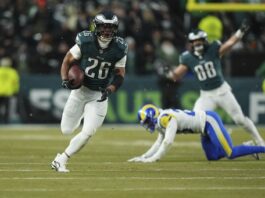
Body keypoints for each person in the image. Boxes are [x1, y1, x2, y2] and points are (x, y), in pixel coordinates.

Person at [51, 11, 128, 172]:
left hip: (99, 95)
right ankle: (80, 119)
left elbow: (120, 75)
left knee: (87, 133)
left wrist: (111, 89)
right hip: (80, 91)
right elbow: (67, 60)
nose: (107, 31)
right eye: (104, 27)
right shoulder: (85, 41)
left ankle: (61, 159)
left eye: (110, 28)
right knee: (66, 130)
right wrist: (65, 79)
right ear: (96, 27)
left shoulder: (119, 48)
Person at [168, 20, 265, 146]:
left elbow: (229, 44)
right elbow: (176, 75)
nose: (197, 43)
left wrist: (239, 33)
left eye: (200, 40)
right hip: (206, 95)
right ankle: (221, 137)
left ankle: (260, 141)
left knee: (239, 119)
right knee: (197, 121)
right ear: (191, 43)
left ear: (204, 40)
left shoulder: (213, 50)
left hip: (222, 91)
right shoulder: (188, 58)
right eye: (195, 41)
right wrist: (167, 72)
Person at [128, 104, 265, 163]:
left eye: (146, 122)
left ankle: (261, 148)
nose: (147, 126)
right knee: (213, 157)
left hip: (209, 121)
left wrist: (154, 159)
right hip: (203, 129)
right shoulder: (160, 120)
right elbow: (159, 142)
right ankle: (247, 147)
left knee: (230, 153)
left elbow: (168, 142)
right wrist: (143, 156)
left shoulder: (165, 118)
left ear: (152, 116)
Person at [0, 57, 20, 124]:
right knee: (7, 109)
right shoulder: (12, 72)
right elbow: (15, 83)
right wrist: (15, 91)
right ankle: (6, 122)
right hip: (8, 92)